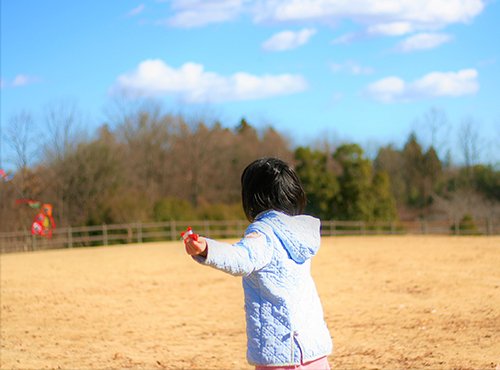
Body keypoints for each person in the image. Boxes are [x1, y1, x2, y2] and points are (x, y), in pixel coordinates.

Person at [183, 157, 332, 369]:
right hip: (313, 350)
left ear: (252, 197)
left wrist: (207, 248)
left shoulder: (264, 232)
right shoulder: (297, 232)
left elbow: (241, 257)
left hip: (282, 353)